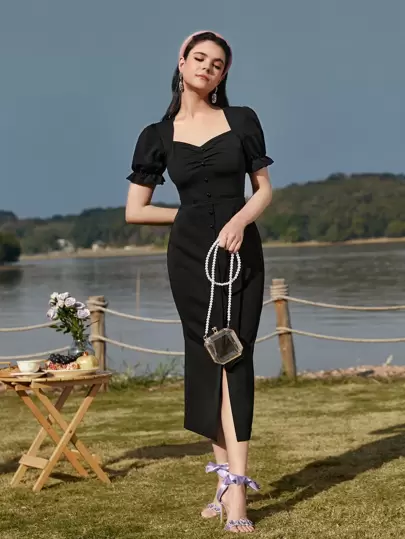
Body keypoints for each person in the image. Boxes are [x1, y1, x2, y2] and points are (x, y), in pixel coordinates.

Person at [125, 30, 273, 533]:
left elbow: (263, 191)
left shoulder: (242, 120)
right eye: (200, 58)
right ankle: (223, 480)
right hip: (190, 261)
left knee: (236, 358)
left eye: (217, 63)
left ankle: (238, 492)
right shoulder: (156, 135)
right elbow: (136, 210)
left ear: (223, 74)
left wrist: (238, 221)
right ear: (182, 61)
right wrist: (190, 218)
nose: (207, 67)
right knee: (211, 361)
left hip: (239, 254)